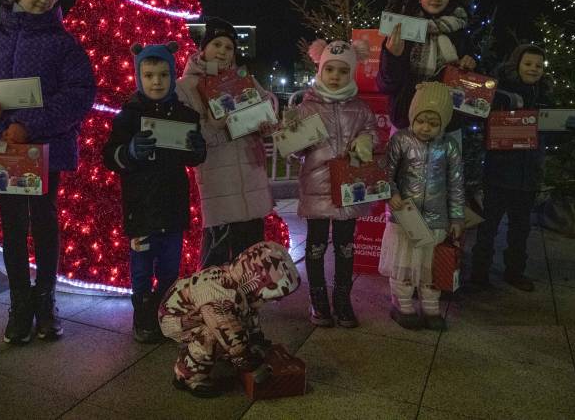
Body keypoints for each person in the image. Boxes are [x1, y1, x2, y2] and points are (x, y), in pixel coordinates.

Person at [0, 0, 96, 343]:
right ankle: (20, 304)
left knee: (46, 224)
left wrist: (29, 125)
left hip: (45, 150)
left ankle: (46, 301)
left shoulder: (63, 43)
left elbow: (79, 93)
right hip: (3, 151)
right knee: (13, 228)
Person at [102, 41, 207, 342]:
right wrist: (129, 151)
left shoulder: (185, 115)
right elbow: (110, 156)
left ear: (173, 76)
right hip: (141, 209)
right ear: (139, 76)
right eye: (149, 75)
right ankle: (144, 318)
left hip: (173, 207)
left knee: (170, 268)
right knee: (141, 269)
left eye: (162, 74)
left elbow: (192, 158)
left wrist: (198, 150)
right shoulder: (128, 116)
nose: (156, 81)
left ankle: (166, 315)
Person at [470, 44, 575, 291]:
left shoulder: (545, 97)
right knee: (488, 228)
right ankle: (479, 275)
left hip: (528, 175)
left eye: (538, 66)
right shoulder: (499, 91)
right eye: (528, 64)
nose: (533, 69)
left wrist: (569, 130)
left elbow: (550, 136)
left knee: (520, 229)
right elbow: (479, 116)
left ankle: (514, 272)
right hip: (499, 173)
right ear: (516, 64)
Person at [288, 38, 377, 328]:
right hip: (316, 187)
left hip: (349, 187)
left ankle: (342, 299)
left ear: (351, 73)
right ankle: (318, 299)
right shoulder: (307, 106)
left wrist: (366, 140)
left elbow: (373, 133)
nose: (335, 76)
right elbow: (294, 150)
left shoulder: (361, 108)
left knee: (345, 246)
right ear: (320, 71)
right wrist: (292, 136)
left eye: (342, 71)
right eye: (330, 70)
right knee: (314, 246)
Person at [175, 17, 275, 268]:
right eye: (216, 44)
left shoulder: (243, 80)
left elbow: (267, 107)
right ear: (203, 48)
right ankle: (216, 304)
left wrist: (265, 124)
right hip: (218, 182)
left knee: (252, 261)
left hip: (251, 178)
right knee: (216, 260)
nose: (222, 51)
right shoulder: (185, 87)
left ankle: (249, 305)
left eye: (228, 47)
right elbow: (190, 139)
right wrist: (217, 125)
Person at [159, 241, 301, 397]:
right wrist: (245, 357)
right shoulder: (218, 293)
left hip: (199, 312)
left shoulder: (237, 287)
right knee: (210, 334)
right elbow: (226, 328)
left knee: (233, 321)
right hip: (176, 319)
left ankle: (220, 354)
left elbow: (248, 314)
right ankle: (187, 376)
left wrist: (255, 338)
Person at [379, 82, 464, 331]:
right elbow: (386, 172)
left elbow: (456, 184)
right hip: (405, 219)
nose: (426, 127)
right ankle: (402, 304)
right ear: (412, 117)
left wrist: (457, 218)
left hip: (437, 221)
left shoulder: (449, 147)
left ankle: (430, 306)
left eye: (433, 123)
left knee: (431, 269)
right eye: (421, 120)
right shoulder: (400, 141)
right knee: (404, 265)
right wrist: (391, 194)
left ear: (444, 123)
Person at [376, 0, 477, 131]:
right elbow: (386, 85)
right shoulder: (402, 29)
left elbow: (470, 87)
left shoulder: (459, 34)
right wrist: (393, 57)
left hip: (446, 125)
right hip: (408, 122)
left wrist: (470, 65)